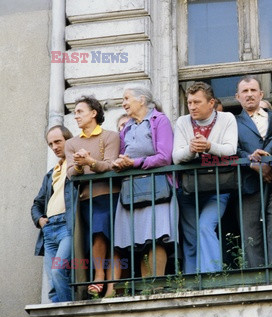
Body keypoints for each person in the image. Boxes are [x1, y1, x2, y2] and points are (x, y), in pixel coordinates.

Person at [111, 85, 176, 293]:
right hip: (132, 188)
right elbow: (124, 155)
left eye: (127, 98)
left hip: (156, 187)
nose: (124, 103)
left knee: (155, 237)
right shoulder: (127, 127)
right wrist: (120, 163)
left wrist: (135, 163)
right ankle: (146, 288)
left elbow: (165, 156)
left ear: (142, 100)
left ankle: (155, 287)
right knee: (139, 239)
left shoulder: (160, 120)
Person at [173, 81, 238, 273]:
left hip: (218, 187)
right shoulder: (182, 122)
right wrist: (192, 150)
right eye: (189, 102)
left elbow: (230, 149)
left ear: (211, 103)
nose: (192, 107)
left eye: (197, 102)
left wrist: (209, 146)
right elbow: (176, 157)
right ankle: (192, 279)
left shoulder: (227, 118)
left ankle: (211, 275)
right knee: (191, 236)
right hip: (189, 189)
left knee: (205, 226)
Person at [65, 95, 121, 297]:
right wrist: (80, 165)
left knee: (112, 238)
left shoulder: (110, 136)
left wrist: (89, 162)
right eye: (75, 112)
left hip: (110, 195)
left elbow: (110, 165)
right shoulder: (71, 143)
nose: (76, 116)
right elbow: (70, 172)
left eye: (80, 111)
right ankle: (99, 277)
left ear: (94, 113)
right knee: (97, 235)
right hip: (87, 199)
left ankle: (111, 285)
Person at [235, 75, 272, 267]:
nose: (249, 95)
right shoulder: (232, 122)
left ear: (261, 94)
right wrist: (251, 161)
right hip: (247, 182)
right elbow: (233, 149)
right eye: (245, 91)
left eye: (253, 90)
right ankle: (255, 275)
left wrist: (267, 159)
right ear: (237, 97)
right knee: (250, 229)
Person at [31, 126, 75, 302]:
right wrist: (40, 220)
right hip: (49, 229)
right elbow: (37, 203)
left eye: (58, 141)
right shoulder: (51, 174)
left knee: (58, 271)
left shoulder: (75, 166)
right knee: (52, 284)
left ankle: (67, 312)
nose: (55, 147)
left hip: (68, 225)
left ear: (68, 141)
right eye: (51, 144)